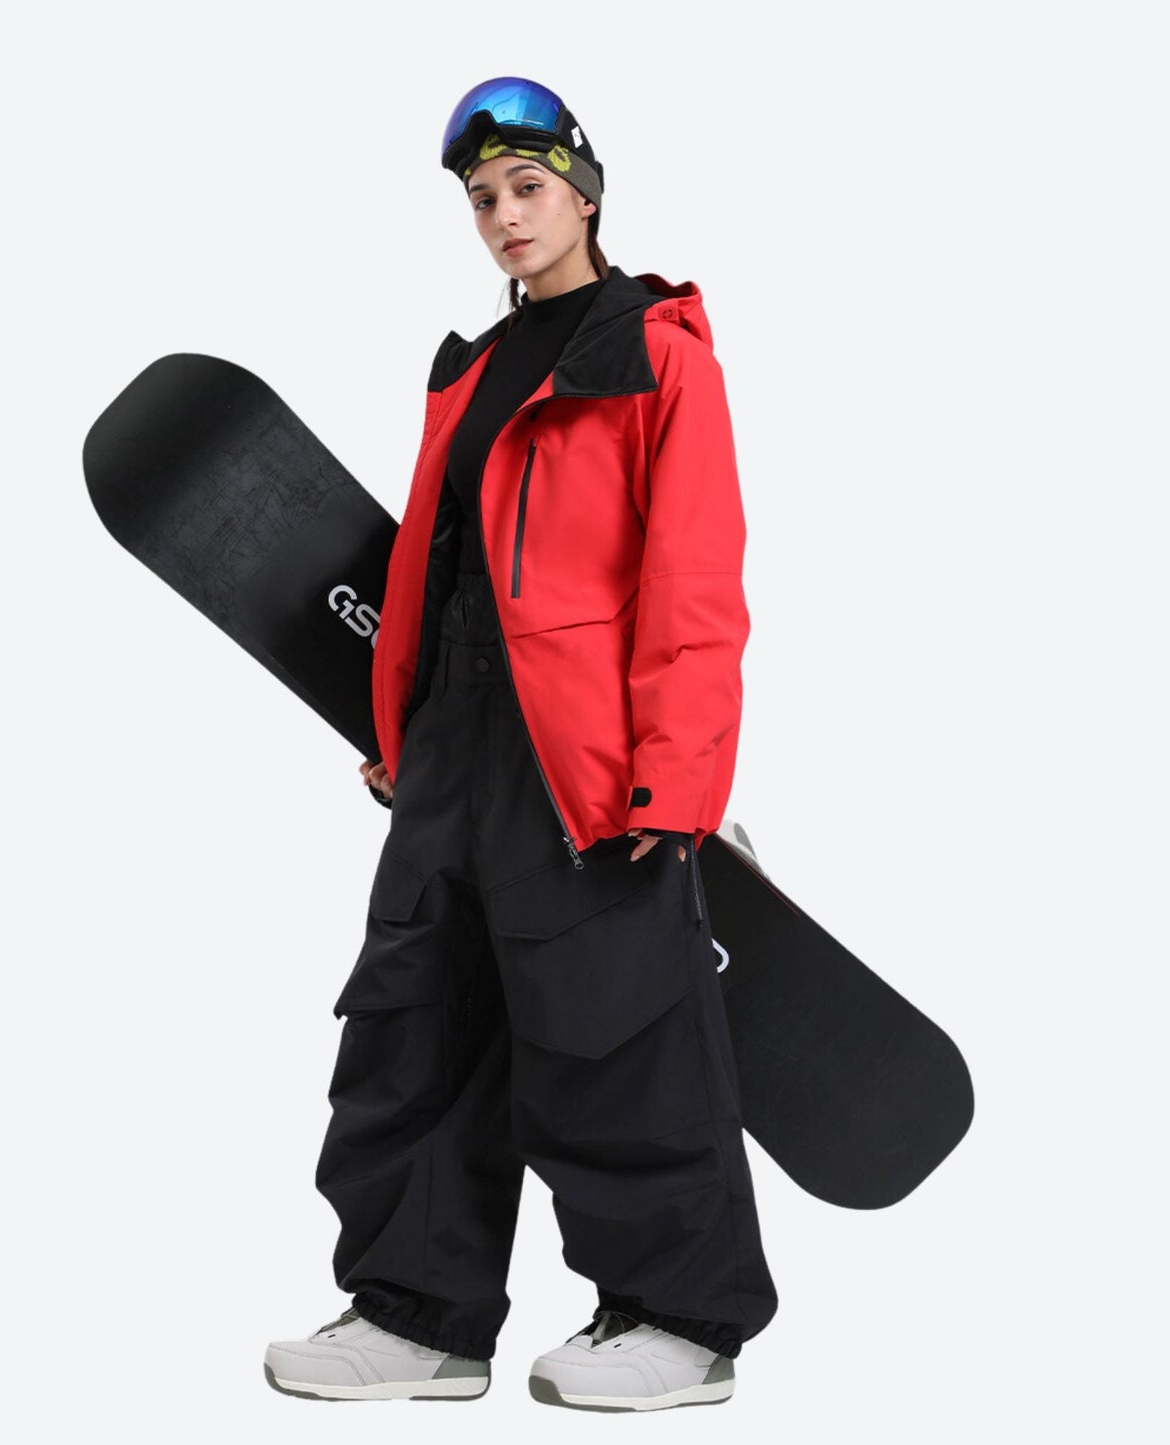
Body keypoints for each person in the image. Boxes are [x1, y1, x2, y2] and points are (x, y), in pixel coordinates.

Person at [263, 75, 778, 1412]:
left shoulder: (654, 352)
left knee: (616, 1035)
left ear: (584, 195)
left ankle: (679, 1321)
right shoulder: (473, 371)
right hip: (454, 749)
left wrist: (677, 774)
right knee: (415, 1025)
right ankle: (415, 1315)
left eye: (528, 187)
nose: (504, 214)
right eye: (483, 197)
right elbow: (437, 565)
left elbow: (692, 581)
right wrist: (401, 729)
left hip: (583, 762)